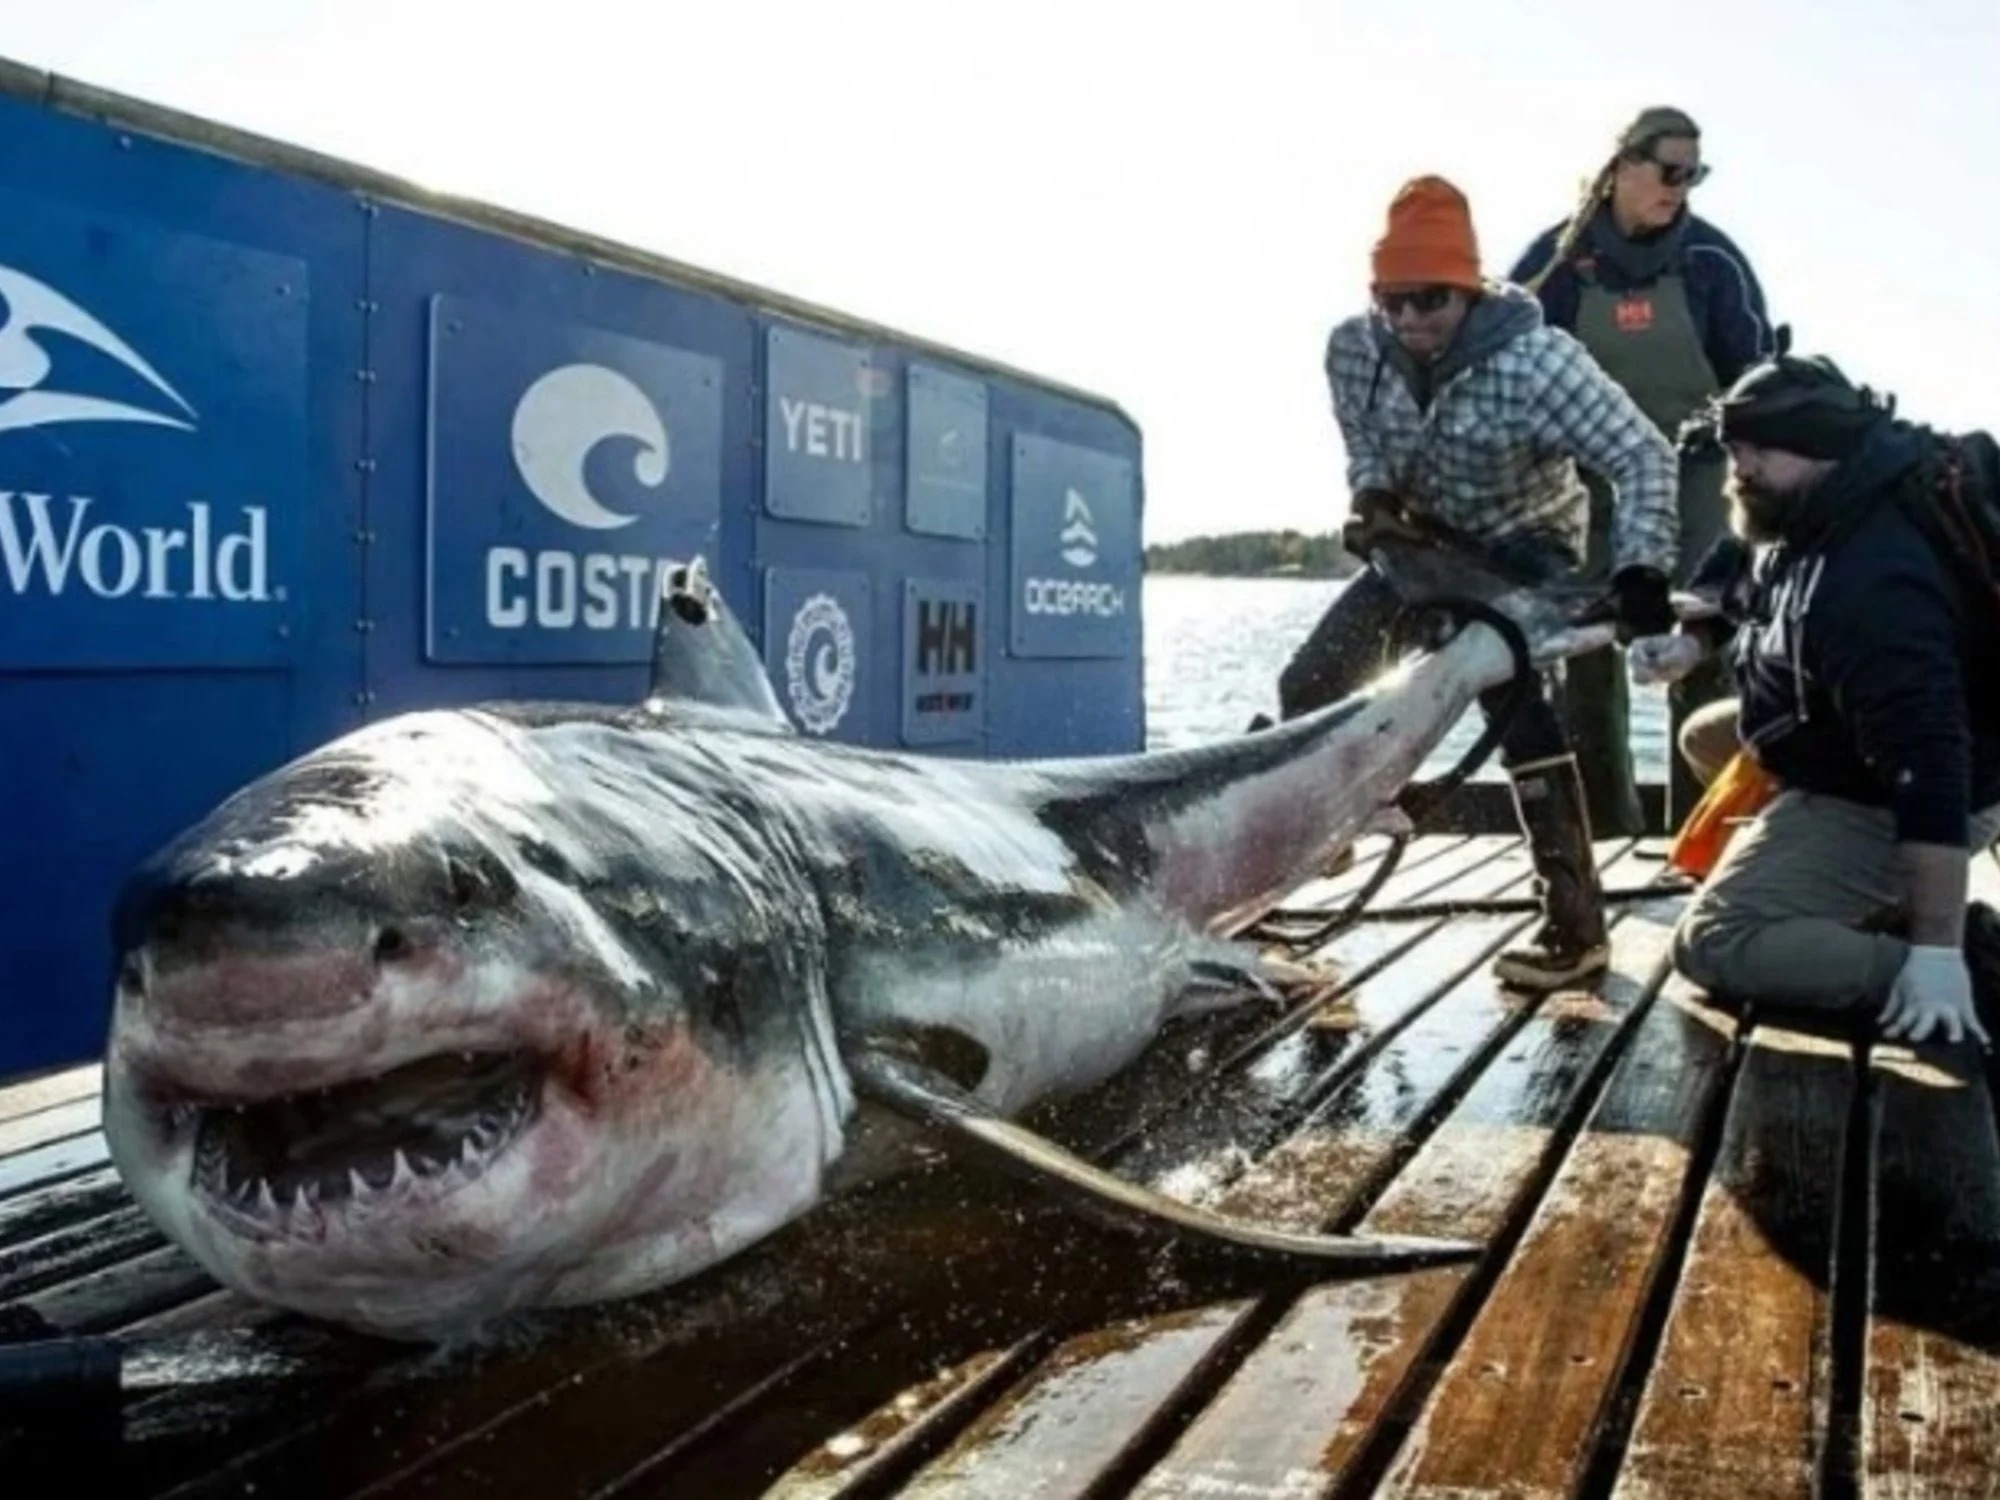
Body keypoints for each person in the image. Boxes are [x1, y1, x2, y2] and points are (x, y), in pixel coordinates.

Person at [1284, 173, 1681, 992]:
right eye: (1390, 300)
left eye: (1428, 300)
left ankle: (1574, 928)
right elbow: (1362, 444)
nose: (1408, 320)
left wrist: (1642, 566)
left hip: (1525, 543)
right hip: (1422, 538)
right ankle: (1328, 832)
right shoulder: (1352, 350)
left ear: (1467, 291)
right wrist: (1370, 495)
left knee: (1509, 698)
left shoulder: (1539, 362)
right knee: (1311, 679)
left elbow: (1642, 455)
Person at [1629, 352, 2000, 1047]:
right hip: (1832, 745)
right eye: (1734, 447)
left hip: (1903, 793)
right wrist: (1692, 640)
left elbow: (1930, 770)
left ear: (1820, 446)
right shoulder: (1809, 502)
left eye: (1759, 450)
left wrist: (1936, 955)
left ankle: (1968, 966)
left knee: (1715, 940)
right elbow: (1743, 567)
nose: (1739, 467)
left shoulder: (1873, 587)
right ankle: (1840, 889)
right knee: (1707, 737)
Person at [1511, 106, 1778, 838]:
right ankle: (1607, 834)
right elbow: (1509, 375)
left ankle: (1703, 838)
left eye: (1695, 174)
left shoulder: (1712, 262)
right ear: (1621, 166)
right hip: (1585, 481)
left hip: (1697, 475)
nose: (1681, 187)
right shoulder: (1554, 265)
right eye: (1668, 170)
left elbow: (1756, 381)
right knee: (1587, 660)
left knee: (1700, 648)